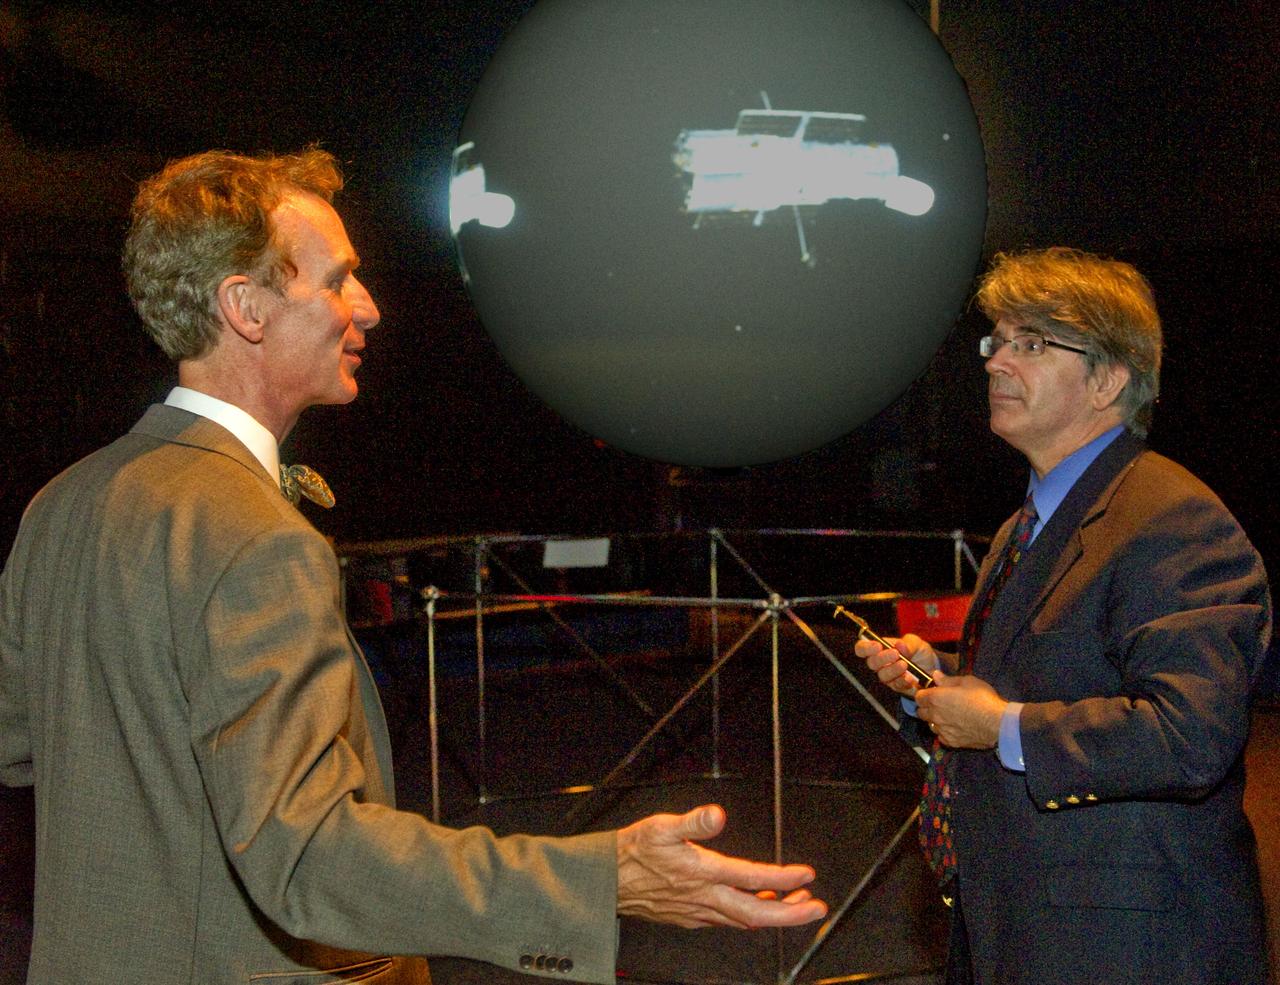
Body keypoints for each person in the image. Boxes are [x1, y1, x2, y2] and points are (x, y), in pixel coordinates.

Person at [0, 148, 826, 985]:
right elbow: (308, 859)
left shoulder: (64, 502)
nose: (371, 307)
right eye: (337, 281)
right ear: (245, 308)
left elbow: (26, 746)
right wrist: (601, 876)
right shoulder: (255, 536)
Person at [854, 247, 1271, 985]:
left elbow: (1191, 734)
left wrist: (1001, 724)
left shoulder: (1172, 520)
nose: (995, 363)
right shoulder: (1028, 527)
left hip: (1124, 945)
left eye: (1032, 344)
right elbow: (1041, 679)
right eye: (997, 341)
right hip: (1024, 921)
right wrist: (938, 682)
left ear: (1109, 379)